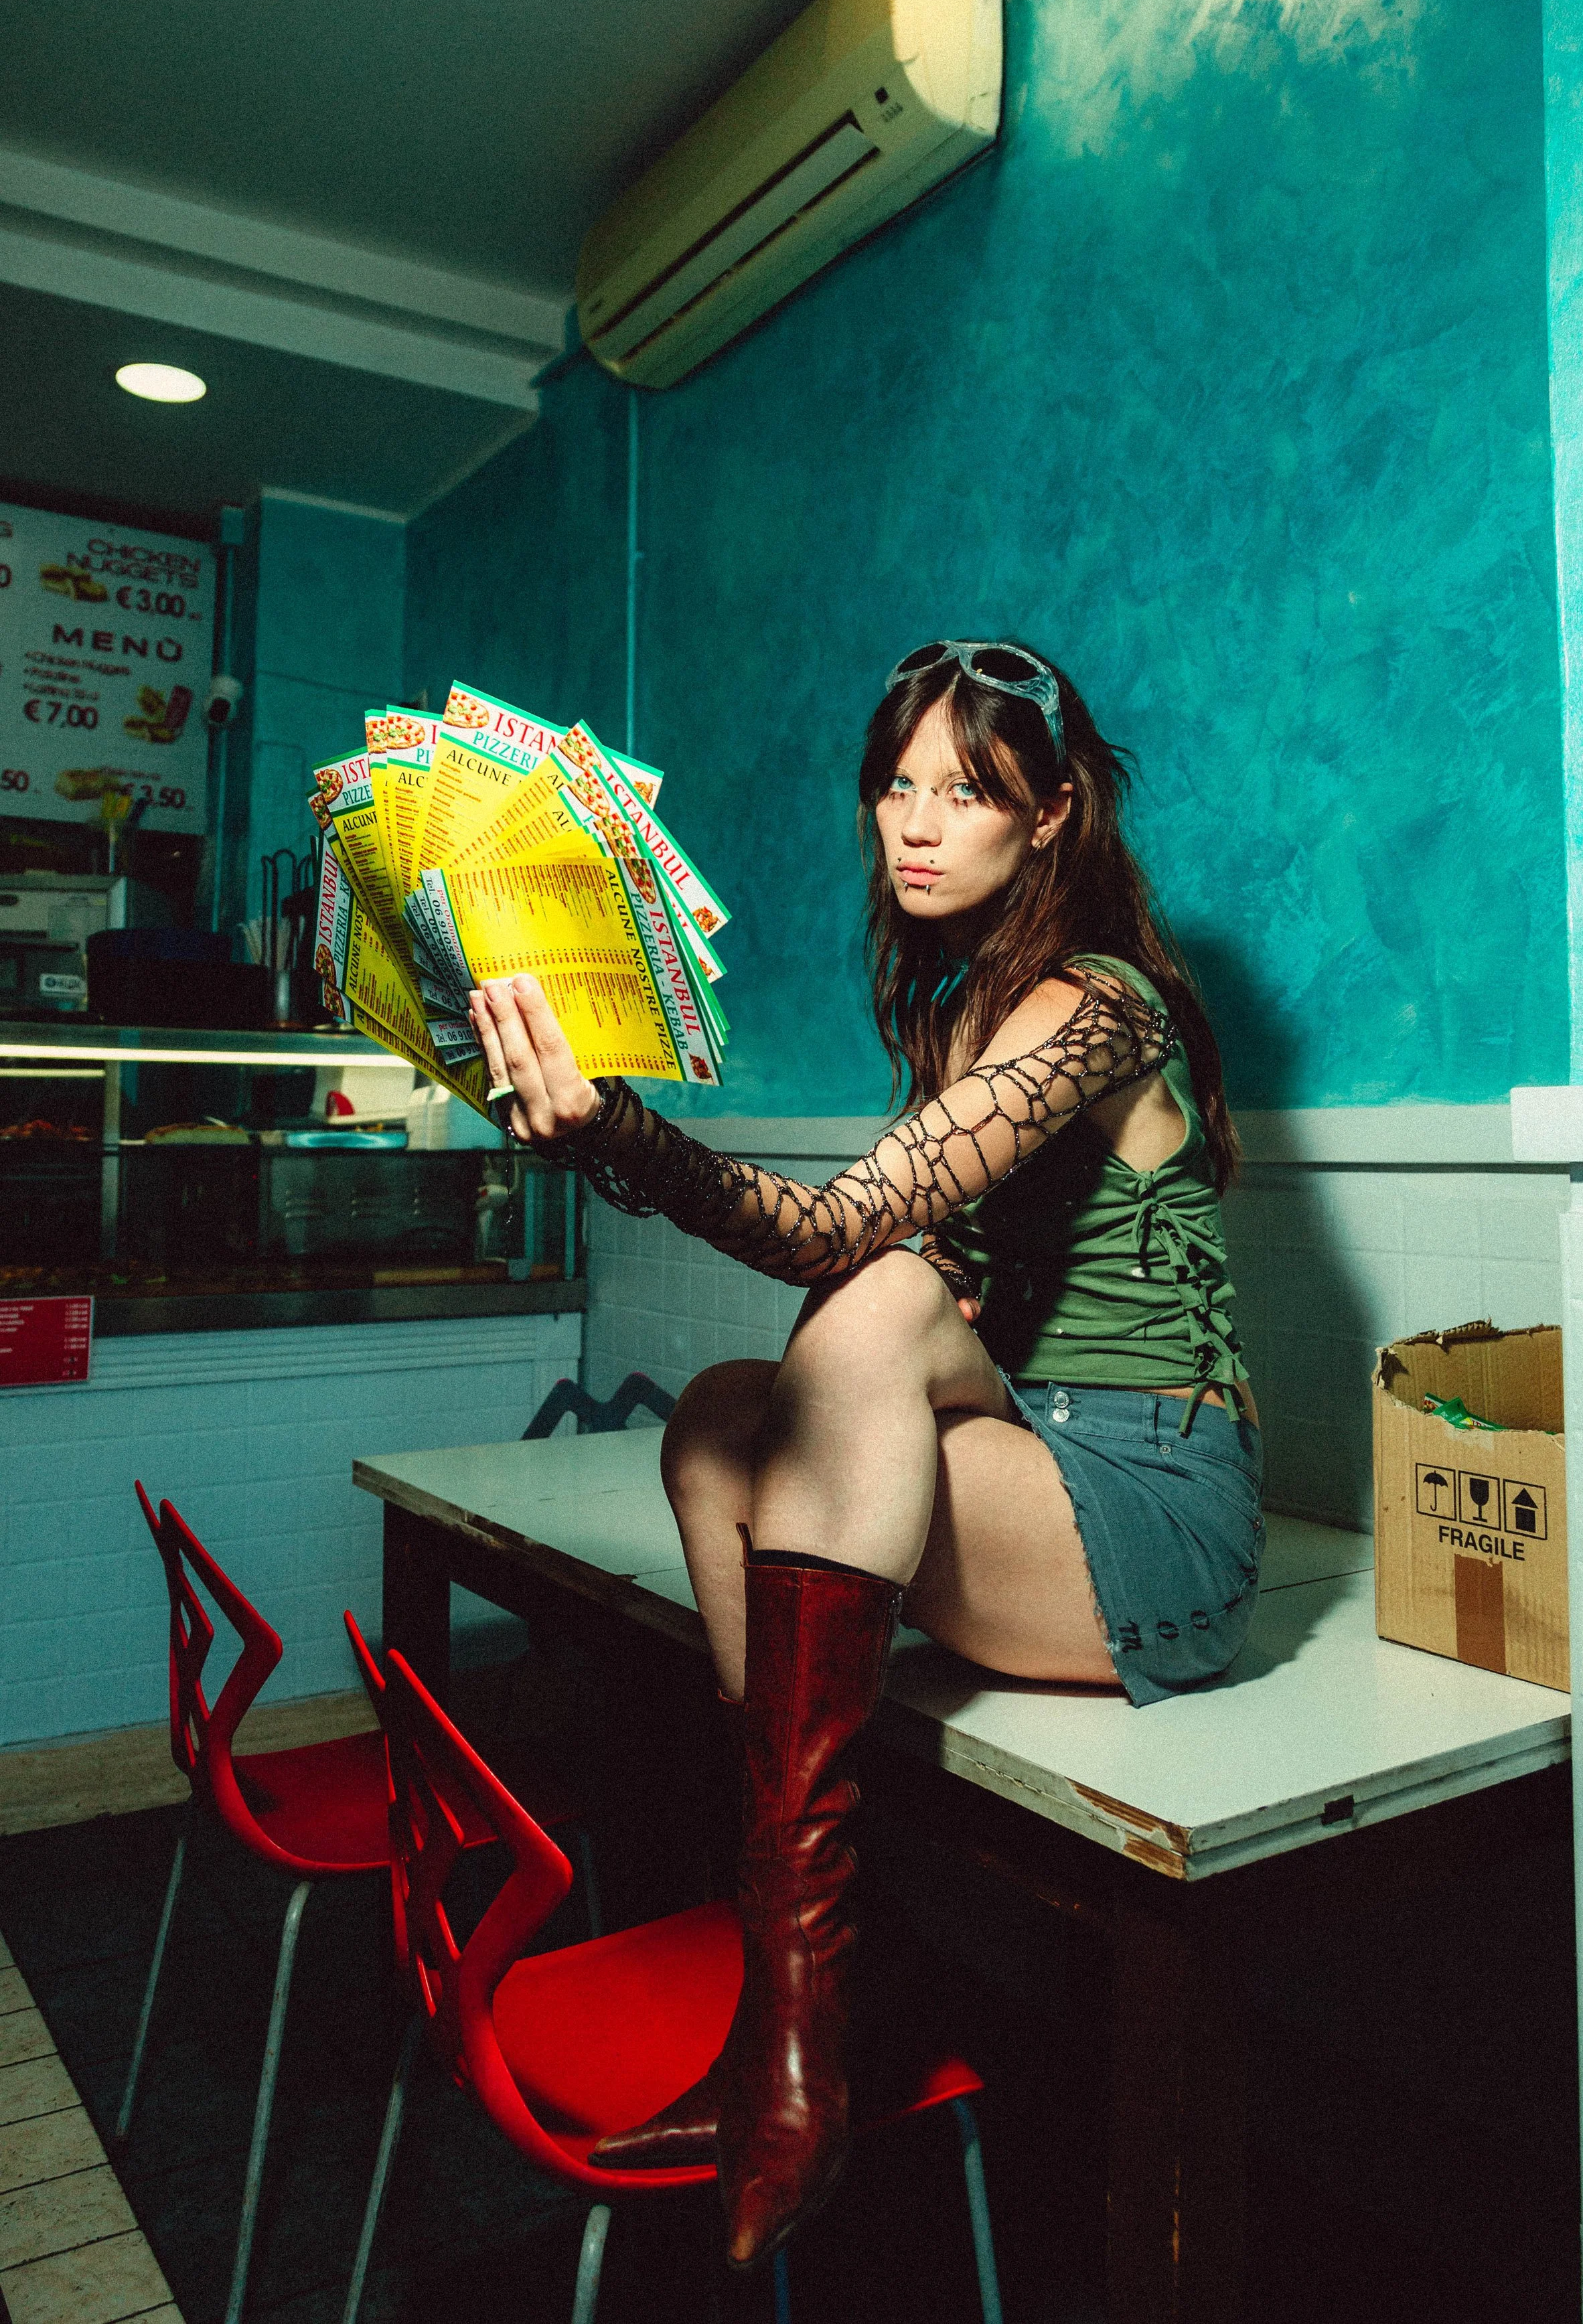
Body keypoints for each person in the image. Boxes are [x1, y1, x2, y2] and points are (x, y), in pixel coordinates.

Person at [469, 641, 1262, 2274]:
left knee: (872, 1290)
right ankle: (809, 1984)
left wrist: (615, 1132)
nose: (915, 822)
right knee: (710, 1417)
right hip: (1033, 1456)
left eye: (966, 790)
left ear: (1048, 819)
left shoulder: (1098, 1006)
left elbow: (837, 1234)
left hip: (1156, 1521)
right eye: (896, 781)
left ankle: (799, 2037)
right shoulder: (970, 1009)